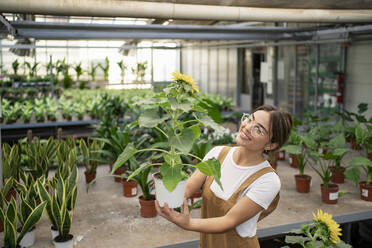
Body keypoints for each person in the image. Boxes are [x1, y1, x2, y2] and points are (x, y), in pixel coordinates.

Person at [155, 105, 293, 248]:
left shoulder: (268, 180)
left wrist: (187, 223)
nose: (247, 127)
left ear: (270, 145)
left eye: (258, 129)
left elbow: (228, 221)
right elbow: (189, 187)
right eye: (250, 119)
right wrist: (168, 196)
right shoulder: (218, 154)